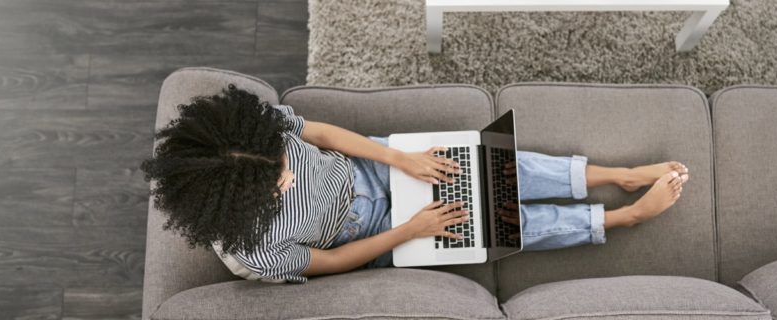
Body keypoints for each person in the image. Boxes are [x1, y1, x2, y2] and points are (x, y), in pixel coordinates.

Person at [141, 85, 690, 284]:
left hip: (376, 168)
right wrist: (411, 228)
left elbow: (327, 134)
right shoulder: (251, 254)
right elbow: (333, 264)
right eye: (276, 184)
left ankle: (613, 175)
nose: (288, 174)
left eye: (282, 161)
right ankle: (620, 218)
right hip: (378, 231)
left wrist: (398, 158)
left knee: (496, 167)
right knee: (500, 223)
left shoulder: (258, 131)